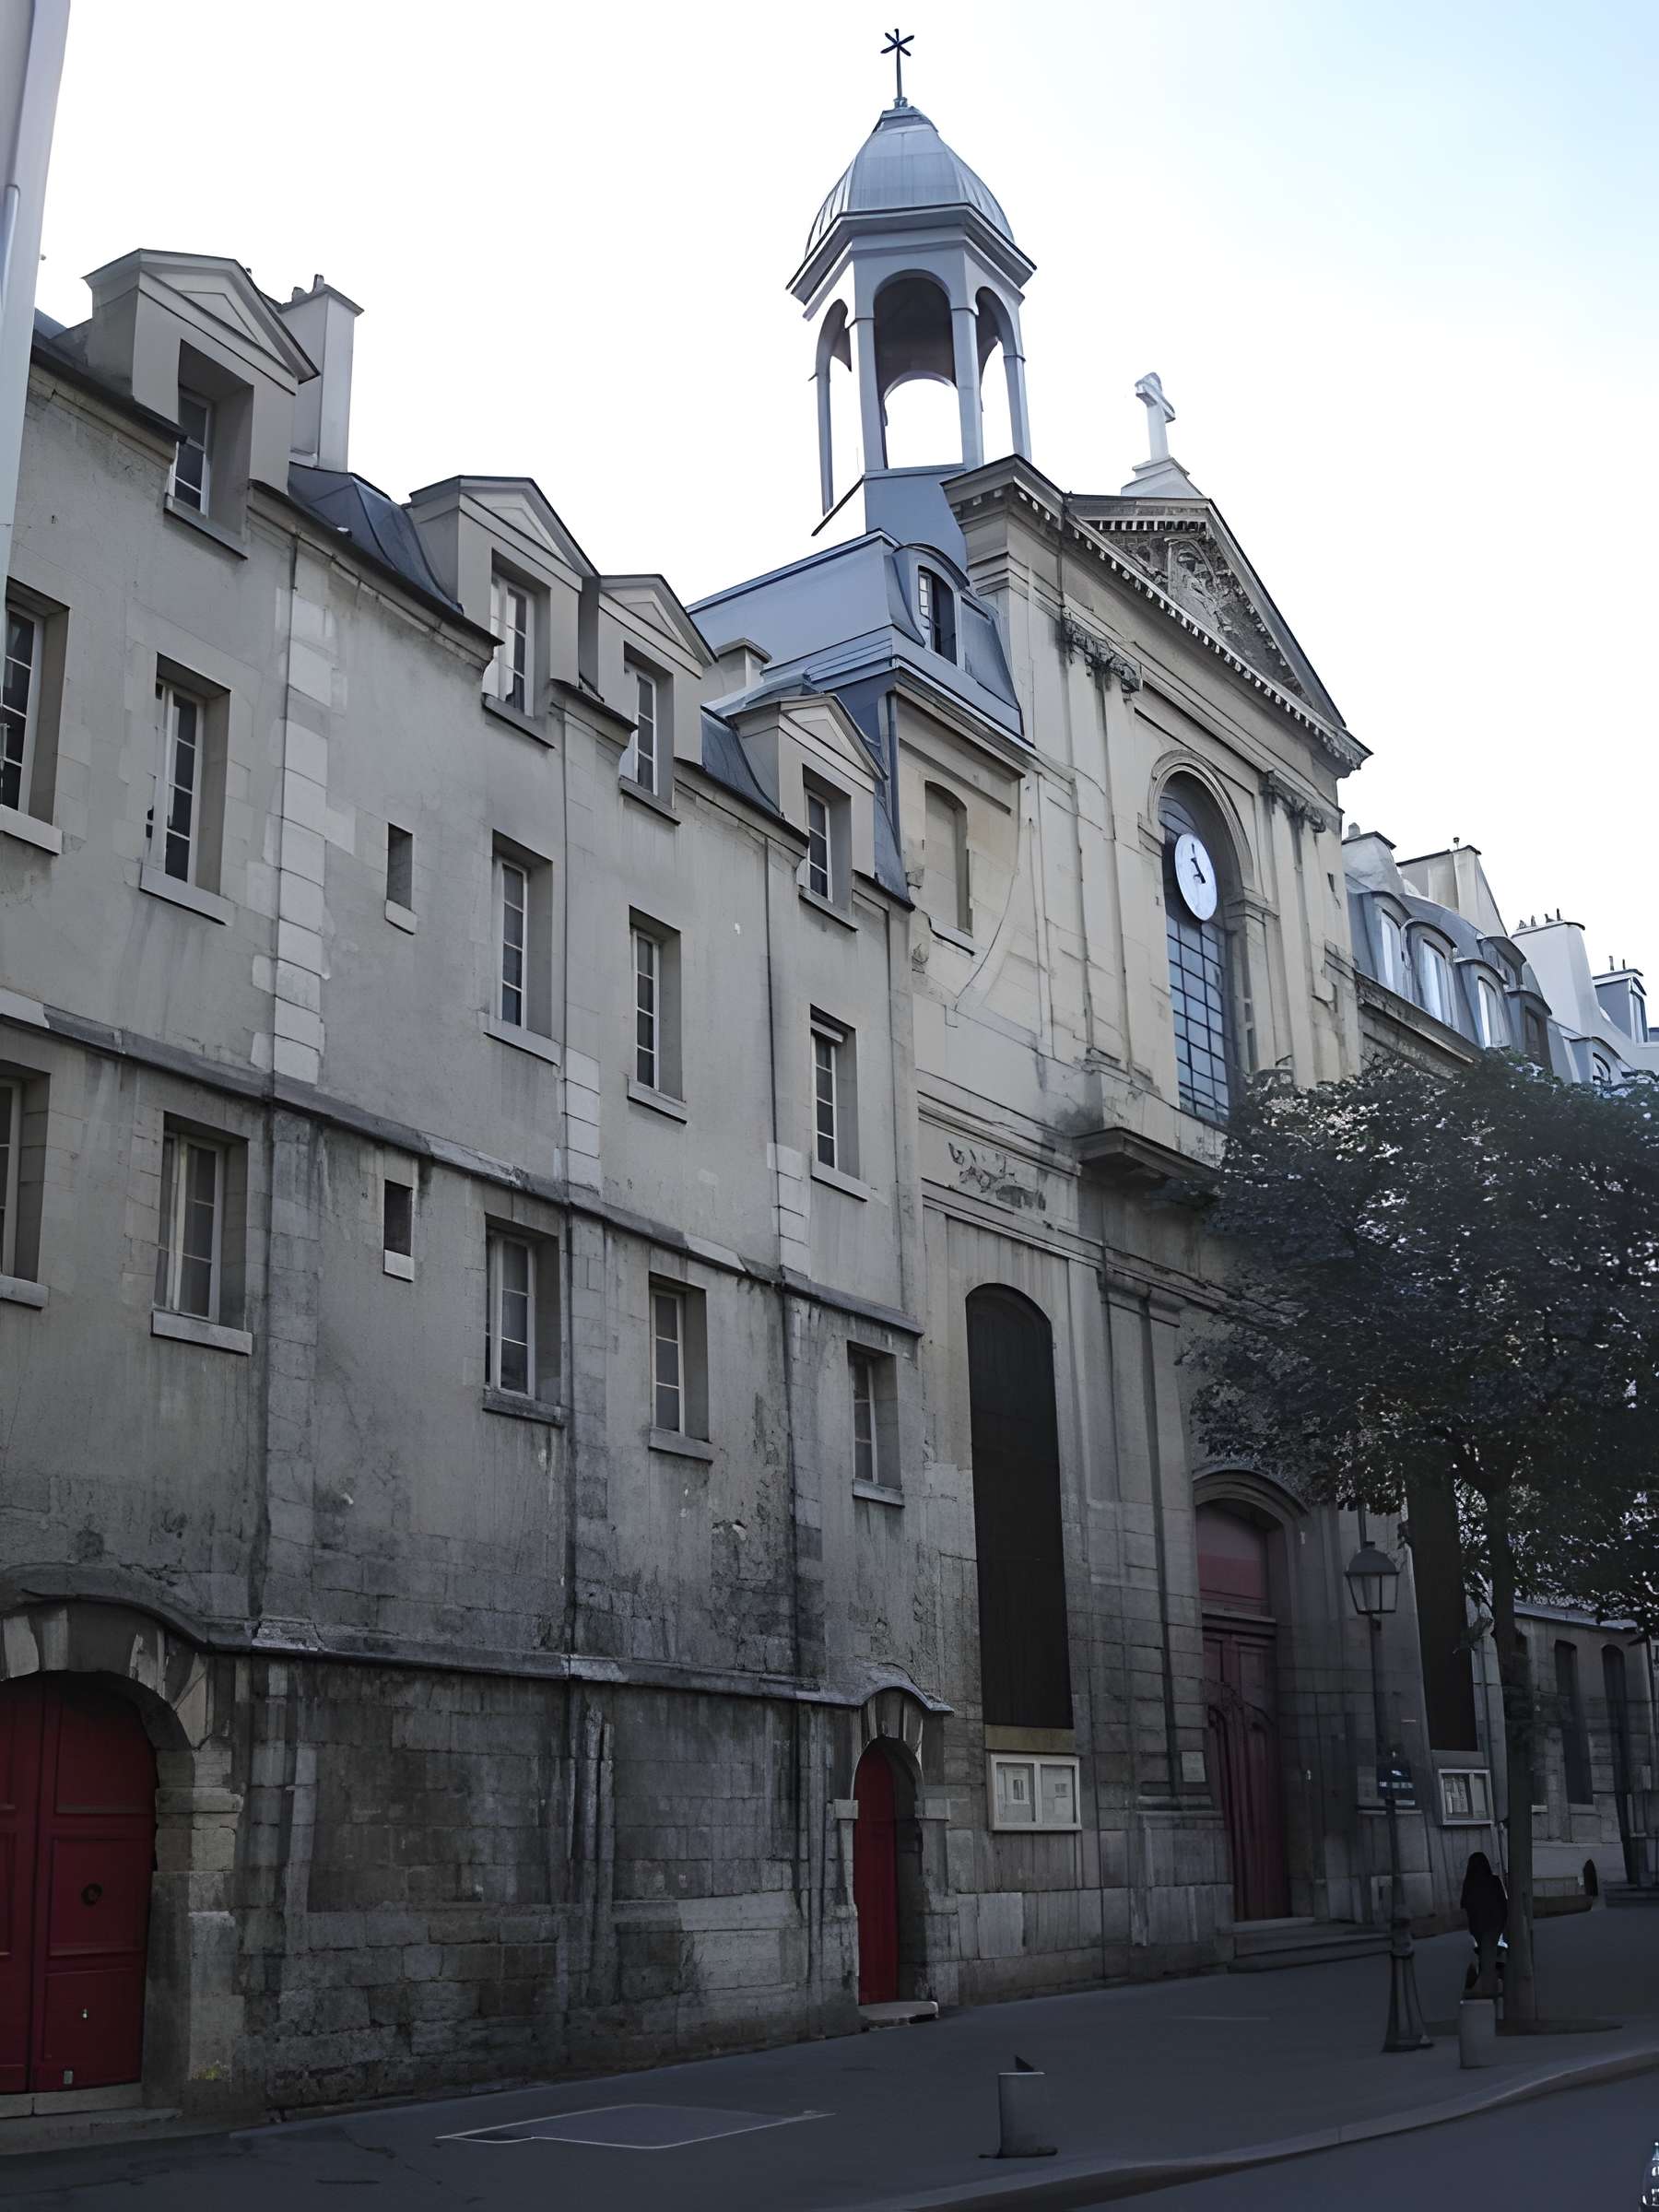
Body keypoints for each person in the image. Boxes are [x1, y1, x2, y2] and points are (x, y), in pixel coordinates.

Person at [1461, 1849, 1508, 1998]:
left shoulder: (1470, 1883)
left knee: (1484, 1954)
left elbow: (1464, 1905)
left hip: (1478, 1927)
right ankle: (1491, 1984)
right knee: (1491, 1953)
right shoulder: (1493, 1881)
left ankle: (1486, 1985)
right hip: (1494, 1925)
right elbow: (1503, 1903)